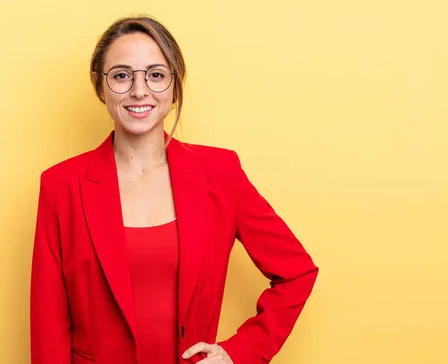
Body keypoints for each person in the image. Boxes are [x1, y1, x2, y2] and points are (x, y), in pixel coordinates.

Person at [30, 15, 319, 364]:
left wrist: (240, 352)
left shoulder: (220, 174)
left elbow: (297, 272)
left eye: (156, 75)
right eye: (122, 75)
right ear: (100, 84)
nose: (140, 90)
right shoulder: (61, 185)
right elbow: (48, 323)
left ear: (174, 84)